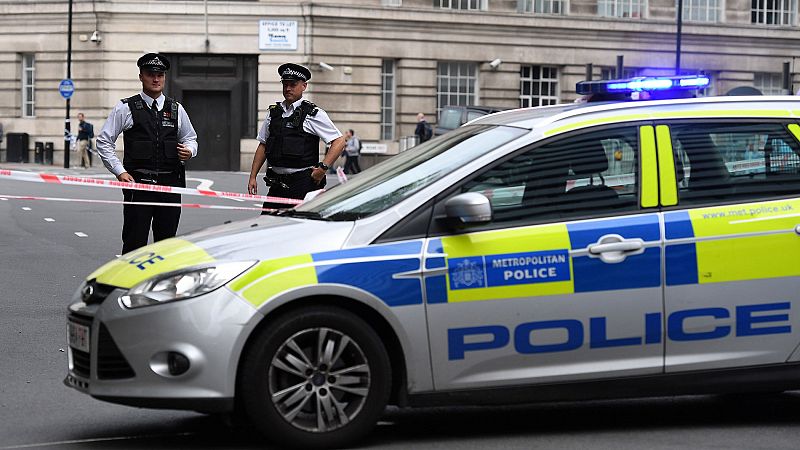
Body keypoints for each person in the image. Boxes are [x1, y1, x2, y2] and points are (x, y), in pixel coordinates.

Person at [96, 53, 198, 254]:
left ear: (165, 77)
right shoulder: (126, 107)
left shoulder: (176, 109)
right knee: (135, 243)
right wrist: (120, 171)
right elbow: (104, 141)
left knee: (167, 246)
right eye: (151, 74)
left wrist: (190, 151)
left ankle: (163, 285)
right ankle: (128, 283)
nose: (156, 79)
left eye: (160, 74)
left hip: (170, 186)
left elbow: (190, 138)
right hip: (139, 185)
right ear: (141, 76)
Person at [247, 63, 345, 211]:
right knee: (267, 224)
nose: (288, 88)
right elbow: (263, 145)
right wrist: (253, 176)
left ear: (304, 86)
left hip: (302, 184)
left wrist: (323, 168)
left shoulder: (313, 113)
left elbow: (339, 141)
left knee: (299, 227)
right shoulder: (274, 113)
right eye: (285, 84)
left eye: (293, 84)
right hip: (277, 184)